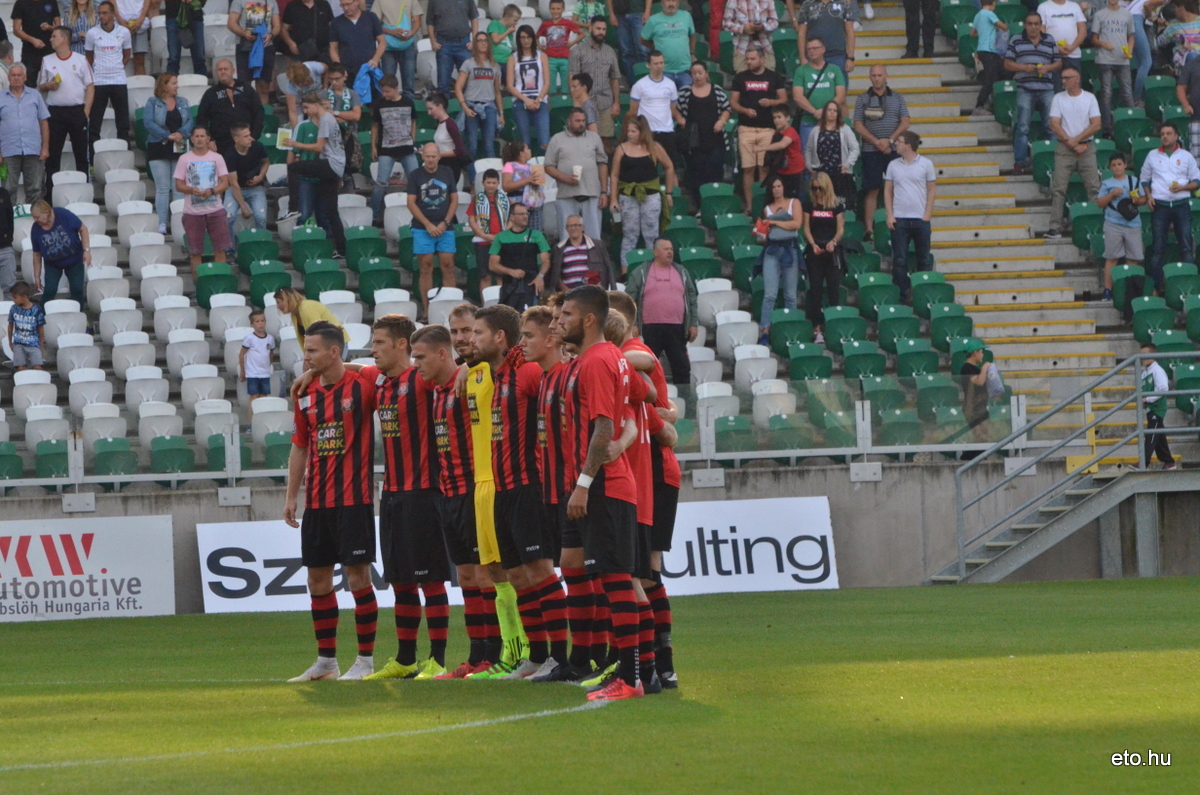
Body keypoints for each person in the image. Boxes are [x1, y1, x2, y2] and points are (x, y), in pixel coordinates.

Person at [473, 305, 572, 680]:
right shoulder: (498, 377)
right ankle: (537, 654)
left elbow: (559, 397)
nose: (471, 340)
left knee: (541, 571)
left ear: (500, 337)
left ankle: (560, 657)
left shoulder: (528, 373)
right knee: (517, 576)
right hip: (503, 490)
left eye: (479, 333)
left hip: (528, 486)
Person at [556, 284, 644, 700]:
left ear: (589, 319)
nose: (561, 322)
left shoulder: (595, 361)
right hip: (596, 484)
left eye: (567, 315)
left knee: (615, 579)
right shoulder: (607, 358)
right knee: (575, 564)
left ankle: (631, 676)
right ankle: (591, 662)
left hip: (603, 486)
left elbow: (604, 428)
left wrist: (583, 485)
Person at [352, 315, 453, 681]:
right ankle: (406, 659)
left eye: (379, 343)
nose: (373, 350)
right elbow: (350, 367)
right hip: (391, 494)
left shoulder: (421, 380)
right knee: (400, 581)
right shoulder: (377, 380)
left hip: (425, 493)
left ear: (401, 345)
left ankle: (438, 660)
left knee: (431, 580)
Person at [284, 321, 379, 683]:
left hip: (354, 500)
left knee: (358, 579)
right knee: (317, 580)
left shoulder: (361, 385)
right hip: (318, 504)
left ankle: (365, 661)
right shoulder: (304, 395)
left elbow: (386, 369)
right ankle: (326, 662)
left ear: (334, 352)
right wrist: (292, 496)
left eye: (311, 350)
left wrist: (350, 366)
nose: (305, 357)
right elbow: (300, 446)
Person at [408, 322, 497, 679]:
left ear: (444, 354)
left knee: (484, 575)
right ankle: (476, 657)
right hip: (448, 493)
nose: (416, 363)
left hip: (473, 490)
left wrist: (467, 366)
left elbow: (496, 364)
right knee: (465, 576)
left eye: (421, 356)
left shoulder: (468, 381)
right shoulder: (434, 388)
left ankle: (496, 653)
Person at [605, 289, 679, 689]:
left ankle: (657, 665)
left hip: (651, 466)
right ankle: (641, 665)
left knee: (644, 573)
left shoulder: (632, 348)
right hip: (642, 461)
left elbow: (645, 363)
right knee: (632, 572)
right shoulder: (614, 357)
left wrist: (662, 422)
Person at [280, 94, 347, 257]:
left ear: (316, 105)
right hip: (336, 166)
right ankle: (342, 249)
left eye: (307, 107)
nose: (305, 111)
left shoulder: (325, 119)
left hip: (331, 164)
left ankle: (293, 208)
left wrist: (295, 144)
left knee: (294, 168)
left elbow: (318, 148)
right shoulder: (330, 118)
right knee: (331, 212)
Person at [623, 238, 697, 385]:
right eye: (666, 249)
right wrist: (634, 323)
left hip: (677, 328)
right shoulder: (641, 272)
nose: (670, 252)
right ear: (656, 252)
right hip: (649, 328)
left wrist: (693, 323)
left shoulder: (681, 272)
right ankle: (648, 403)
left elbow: (692, 298)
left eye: (671, 249)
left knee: (682, 367)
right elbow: (629, 300)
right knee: (647, 368)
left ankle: (684, 401)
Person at [1141, 123, 1200, 295]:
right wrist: (1149, 196)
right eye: (1162, 134)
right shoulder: (1152, 155)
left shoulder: (1186, 156)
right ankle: (1156, 287)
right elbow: (1144, 179)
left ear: (1176, 136)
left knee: (1186, 246)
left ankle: (1190, 286)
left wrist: (1183, 188)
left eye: (1168, 133)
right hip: (1160, 205)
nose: (1165, 137)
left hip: (1181, 205)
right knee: (1158, 248)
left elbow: (1197, 181)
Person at [610, 113, 673, 272]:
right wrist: (613, 199)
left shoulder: (655, 147)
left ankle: (653, 269)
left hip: (650, 196)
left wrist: (669, 192)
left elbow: (669, 167)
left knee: (651, 234)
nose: (630, 134)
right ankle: (626, 270)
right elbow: (615, 175)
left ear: (642, 132)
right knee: (629, 235)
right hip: (628, 196)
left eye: (633, 131)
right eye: (628, 131)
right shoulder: (621, 148)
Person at [854, 65, 909, 241]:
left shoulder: (898, 98)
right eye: (873, 75)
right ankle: (869, 229)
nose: (877, 78)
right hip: (871, 150)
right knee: (872, 189)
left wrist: (890, 140)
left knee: (896, 187)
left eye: (880, 75)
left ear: (886, 76)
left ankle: (897, 223)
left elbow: (905, 122)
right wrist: (876, 141)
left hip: (894, 149)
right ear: (869, 77)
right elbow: (858, 124)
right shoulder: (862, 98)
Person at [730, 45, 788, 212]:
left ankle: (762, 205)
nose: (749, 62)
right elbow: (733, 102)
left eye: (753, 59)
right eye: (747, 59)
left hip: (767, 129)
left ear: (762, 59)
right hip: (746, 128)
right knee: (747, 169)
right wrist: (744, 110)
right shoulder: (740, 78)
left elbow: (783, 99)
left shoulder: (773, 76)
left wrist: (771, 103)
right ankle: (749, 206)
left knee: (764, 168)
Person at [1045, 67, 1101, 241]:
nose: (1063, 81)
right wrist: (1073, 142)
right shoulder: (1058, 98)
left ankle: (1096, 225)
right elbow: (1054, 124)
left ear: (1077, 79)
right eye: (1062, 78)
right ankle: (1054, 227)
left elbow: (1096, 125)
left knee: (1094, 187)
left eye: (1066, 78)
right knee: (1058, 188)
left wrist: (1075, 140)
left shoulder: (1090, 98)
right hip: (1066, 148)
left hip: (1085, 147)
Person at [1004, 13, 1061, 176]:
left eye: (1036, 24)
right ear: (1025, 25)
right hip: (1025, 88)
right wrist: (1023, 68)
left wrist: (1047, 68)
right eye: (1030, 24)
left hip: (1046, 88)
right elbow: (1007, 63)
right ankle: (1019, 164)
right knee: (1022, 127)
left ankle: (1053, 164)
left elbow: (1058, 62)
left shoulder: (1049, 39)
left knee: (1051, 127)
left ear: (1041, 25)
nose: (1033, 27)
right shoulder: (1016, 39)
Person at [37, 26, 92, 189]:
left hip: (77, 111)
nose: (50, 39)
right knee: (53, 156)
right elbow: (40, 86)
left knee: (81, 154)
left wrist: (86, 111)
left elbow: (90, 85)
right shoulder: (47, 60)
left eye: (54, 36)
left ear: (64, 39)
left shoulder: (81, 59)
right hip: (55, 112)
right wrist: (48, 85)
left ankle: (84, 190)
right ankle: (51, 194)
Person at [407, 141, 459, 315]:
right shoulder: (415, 175)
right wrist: (428, 225)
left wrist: (445, 222)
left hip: (446, 227)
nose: (430, 160)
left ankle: (451, 310)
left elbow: (454, 199)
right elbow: (411, 203)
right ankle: (428, 309)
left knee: (448, 266)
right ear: (422, 156)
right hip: (422, 228)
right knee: (426, 268)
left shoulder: (447, 172)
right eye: (427, 156)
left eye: (433, 156)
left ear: (439, 156)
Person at [545, 105, 609, 241]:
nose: (581, 124)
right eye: (577, 121)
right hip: (566, 195)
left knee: (594, 238)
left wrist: (604, 191)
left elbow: (602, 164)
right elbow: (548, 166)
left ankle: (593, 262)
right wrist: (564, 178)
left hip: (592, 194)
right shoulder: (557, 139)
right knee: (566, 238)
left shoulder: (594, 138)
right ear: (569, 121)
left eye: (583, 121)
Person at [884, 130, 935, 298]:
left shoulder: (926, 164)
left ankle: (923, 292)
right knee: (899, 259)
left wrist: (927, 215)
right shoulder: (893, 165)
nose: (895, 144)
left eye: (899, 141)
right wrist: (890, 214)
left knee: (924, 259)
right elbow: (888, 190)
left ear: (908, 145)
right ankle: (902, 293)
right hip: (900, 218)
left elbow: (931, 190)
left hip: (920, 218)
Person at [173, 126, 231, 277]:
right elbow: (178, 185)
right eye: (196, 136)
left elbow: (225, 182)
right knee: (195, 252)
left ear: (208, 138)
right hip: (192, 212)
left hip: (215, 209)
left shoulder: (217, 158)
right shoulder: (184, 159)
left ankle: (220, 281)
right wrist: (192, 190)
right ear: (191, 139)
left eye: (202, 136)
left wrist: (211, 191)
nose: (199, 139)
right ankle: (199, 285)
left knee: (220, 249)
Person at [756, 173, 802, 345]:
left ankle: (792, 327)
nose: (776, 189)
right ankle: (765, 330)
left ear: (783, 187)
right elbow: (763, 235)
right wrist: (761, 229)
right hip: (772, 249)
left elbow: (797, 224)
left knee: (790, 294)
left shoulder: (793, 203)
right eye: (773, 187)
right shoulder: (767, 208)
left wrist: (774, 223)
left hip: (789, 247)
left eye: (779, 186)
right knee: (770, 294)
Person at [144, 73, 192, 235]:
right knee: (163, 188)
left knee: (178, 188)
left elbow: (190, 121)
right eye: (174, 83)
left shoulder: (183, 102)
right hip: (159, 145)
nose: (177, 86)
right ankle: (162, 223)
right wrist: (167, 135)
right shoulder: (152, 102)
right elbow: (148, 122)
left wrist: (181, 133)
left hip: (179, 146)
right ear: (164, 85)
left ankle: (178, 223)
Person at [677, 60, 730, 207]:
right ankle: (700, 206)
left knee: (715, 173)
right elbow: (675, 108)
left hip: (716, 139)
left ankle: (714, 205)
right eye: (694, 73)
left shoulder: (717, 89)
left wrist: (722, 121)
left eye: (700, 73)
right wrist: (681, 120)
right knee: (697, 174)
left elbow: (727, 108)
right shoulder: (685, 92)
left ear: (706, 74)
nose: (697, 76)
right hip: (694, 142)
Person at [1096, 152, 1146, 301]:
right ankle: (1108, 290)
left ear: (1125, 165)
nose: (1117, 167)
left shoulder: (1134, 180)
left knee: (1134, 258)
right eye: (1114, 165)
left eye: (1119, 164)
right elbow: (1099, 203)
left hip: (1132, 223)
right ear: (1110, 168)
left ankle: (1131, 290)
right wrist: (1111, 194)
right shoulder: (1107, 183)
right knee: (1112, 258)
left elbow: (1143, 198)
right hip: (1113, 223)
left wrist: (1138, 201)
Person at [801, 170, 843, 345]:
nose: (817, 192)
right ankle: (817, 328)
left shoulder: (836, 205)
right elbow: (806, 228)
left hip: (832, 250)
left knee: (834, 289)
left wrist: (834, 241)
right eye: (814, 188)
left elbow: (840, 228)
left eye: (820, 188)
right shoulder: (809, 204)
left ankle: (833, 326)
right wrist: (812, 244)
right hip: (815, 250)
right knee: (816, 290)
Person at [0, 64, 50, 206]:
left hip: (33, 150)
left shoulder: (35, 95)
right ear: (8, 77)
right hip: (8, 151)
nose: (16, 78)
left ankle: (35, 223)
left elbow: (44, 122)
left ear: (25, 77)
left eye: (19, 75)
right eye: (13, 75)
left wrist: (45, 147)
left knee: (35, 190)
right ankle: (9, 226)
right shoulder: (0, 97)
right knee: (8, 190)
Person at [369, 74, 416, 224]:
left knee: (416, 180)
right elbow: (375, 125)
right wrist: (373, 145)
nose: (385, 94)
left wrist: (412, 139)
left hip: (406, 148)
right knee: (381, 183)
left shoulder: (408, 102)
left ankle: (417, 212)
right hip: (386, 149)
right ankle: (374, 216)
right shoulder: (379, 104)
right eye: (383, 91)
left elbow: (413, 121)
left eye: (388, 91)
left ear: (396, 89)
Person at [454, 31, 504, 171]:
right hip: (472, 106)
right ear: (475, 45)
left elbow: (497, 91)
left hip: (489, 107)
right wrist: (464, 107)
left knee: (489, 145)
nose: (483, 43)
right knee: (472, 146)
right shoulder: (468, 63)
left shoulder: (495, 66)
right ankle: (473, 181)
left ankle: (494, 179)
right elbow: (458, 87)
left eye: (485, 40)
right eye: (479, 40)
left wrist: (501, 113)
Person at [568, 16, 621, 147]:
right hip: (585, 104)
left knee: (605, 142)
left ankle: (604, 167)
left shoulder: (610, 52)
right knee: (583, 141)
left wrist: (616, 103)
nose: (601, 32)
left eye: (604, 29)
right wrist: (576, 106)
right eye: (598, 28)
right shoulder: (577, 51)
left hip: (605, 103)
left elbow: (614, 79)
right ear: (590, 28)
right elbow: (572, 80)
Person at [488, 202, 550, 311]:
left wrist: (540, 276)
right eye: (521, 214)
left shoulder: (537, 235)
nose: (525, 216)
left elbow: (546, 261)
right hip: (510, 286)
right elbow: (492, 265)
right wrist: (510, 271)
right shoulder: (501, 237)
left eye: (526, 214)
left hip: (531, 284)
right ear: (512, 217)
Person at [84, 1, 128, 152]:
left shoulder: (123, 32)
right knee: (95, 122)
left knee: (123, 122)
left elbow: (127, 55)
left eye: (104, 13)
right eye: (99, 13)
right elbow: (89, 57)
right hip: (99, 81)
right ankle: (93, 159)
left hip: (119, 80)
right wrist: (99, 70)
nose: (101, 16)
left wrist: (116, 68)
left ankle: (124, 153)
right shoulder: (92, 33)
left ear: (113, 14)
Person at [196, 59, 264, 154]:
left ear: (233, 71)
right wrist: (209, 139)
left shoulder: (246, 89)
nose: (223, 72)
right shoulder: (210, 93)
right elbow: (202, 119)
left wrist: (254, 136)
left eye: (226, 69)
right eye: (220, 70)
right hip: (221, 145)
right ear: (216, 72)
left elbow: (259, 112)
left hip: (247, 142)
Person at [28, 200, 90, 306]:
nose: (35, 220)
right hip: (52, 264)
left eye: (37, 217)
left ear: (46, 213)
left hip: (74, 259)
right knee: (49, 290)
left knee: (77, 289)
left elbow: (83, 229)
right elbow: (37, 254)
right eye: (34, 217)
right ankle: (42, 316)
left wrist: (86, 251)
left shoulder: (63, 215)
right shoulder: (35, 229)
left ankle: (79, 314)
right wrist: (37, 277)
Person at [629, 50, 684, 166]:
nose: (659, 66)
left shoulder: (670, 85)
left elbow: (672, 108)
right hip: (648, 132)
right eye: (656, 63)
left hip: (667, 132)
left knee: (671, 167)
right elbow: (633, 111)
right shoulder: (639, 85)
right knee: (647, 167)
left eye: (661, 63)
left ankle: (673, 185)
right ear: (648, 65)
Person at [223, 122, 269, 255]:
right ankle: (230, 250)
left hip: (256, 188)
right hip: (236, 189)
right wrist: (243, 207)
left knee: (261, 217)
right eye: (246, 136)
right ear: (236, 139)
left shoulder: (258, 147)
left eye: (249, 135)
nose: (250, 138)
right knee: (228, 217)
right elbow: (234, 183)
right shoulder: (230, 154)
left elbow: (266, 161)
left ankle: (261, 247)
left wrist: (261, 176)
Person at [792, 36, 846, 149]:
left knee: (831, 156)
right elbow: (797, 97)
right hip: (808, 122)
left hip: (831, 123)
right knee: (808, 159)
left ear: (823, 49)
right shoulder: (801, 71)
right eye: (809, 49)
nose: (812, 51)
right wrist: (815, 112)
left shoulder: (834, 69)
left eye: (815, 48)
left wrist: (826, 111)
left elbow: (841, 95)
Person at [1091, 0, 1134, 137]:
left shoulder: (1127, 14)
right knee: (1106, 94)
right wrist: (1103, 44)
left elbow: (1131, 36)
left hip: (1122, 60)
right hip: (1105, 59)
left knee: (1127, 93)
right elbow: (1094, 38)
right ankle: (1108, 129)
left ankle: (1131, 123)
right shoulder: (1100, 14)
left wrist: (1130, 50)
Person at [805, 99, 859, 205]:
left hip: (840, 173)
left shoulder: (845, 129)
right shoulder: (816, 130)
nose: (832, 112)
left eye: (835, 110)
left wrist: (847, 164)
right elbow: (808, 149)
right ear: (825, 112)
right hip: (821, 174)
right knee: (822, 204)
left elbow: (855, 148)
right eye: (829, 110)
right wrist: (809, 165)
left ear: (838, 113)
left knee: (840, 204)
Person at [507, 24, 550, 156]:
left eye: (528, 37)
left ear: (533, 39)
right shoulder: (513, 58)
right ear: (518, 40)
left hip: (539, 100)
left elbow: (547, 82)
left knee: (544, 141)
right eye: (522, 37)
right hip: (521, 101)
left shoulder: (541, 56)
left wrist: (538, 99)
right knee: (525, 143)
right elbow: (510, 85)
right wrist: (526, 100)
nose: (526, 40)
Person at [228, 0, 280, 106]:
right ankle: (245, 116)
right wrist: (244, 33)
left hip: (265, 46)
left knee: (264, 86)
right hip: (245, 46)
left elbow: (277, 25)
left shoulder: (272, 1)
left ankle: (263, 115)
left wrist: (271, 35)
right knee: (244, 85)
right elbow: (231, 23)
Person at [550, 213, 616, 290]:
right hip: (569, 295)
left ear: (582, 227)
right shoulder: (558, 248)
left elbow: (608, 269)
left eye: (576, 225)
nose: (573, 228)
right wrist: (565, 290)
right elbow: (555, 274)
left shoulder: (598, 245)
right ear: (566, 229)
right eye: (570, 226)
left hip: (592, 293)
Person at [791, 0, 856, 77]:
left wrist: (850, 58)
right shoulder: (807, 4)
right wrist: (802, 57)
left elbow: (850, 31)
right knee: (813, 86)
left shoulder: (843, 4)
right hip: (813, 55)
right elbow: (802, 33)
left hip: (838, 55)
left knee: (840, 87)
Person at [639, 0, 694, 89]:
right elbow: (642, 40)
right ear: (662, 3)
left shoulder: (686, 16)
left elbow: (692, 34)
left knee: (686, 101)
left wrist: (692, 52)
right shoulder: (653, 20)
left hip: (685, 71)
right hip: (664, 71)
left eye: (674, 1)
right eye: (668, 1)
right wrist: (656, 47)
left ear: (678, 3)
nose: (671, 4)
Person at [426, 0, 477, 94]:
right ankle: (443, 108)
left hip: (464, 44)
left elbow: (474, 18)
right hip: (444, 44)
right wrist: (433, 41)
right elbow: (430, 22)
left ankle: (470, 108)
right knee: (443, 83)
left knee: (469, 82)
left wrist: (474, 40)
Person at [468, 168, 507, 292]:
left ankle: (502, 306)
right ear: (483, 183)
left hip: (501, 242)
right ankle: (485, 308)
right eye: (488, 182)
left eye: (494, 183)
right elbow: (472, 220)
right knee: (486, 276)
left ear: (498, 183)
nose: (491, 185)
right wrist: (484, 235)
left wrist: (502, 236)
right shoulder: (476, 200)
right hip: (482, 242)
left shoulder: (505, 199)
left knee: (501, 276)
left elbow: (511, 218)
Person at [274, 286, 350, 350]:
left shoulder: (306, 307)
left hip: (335, 344)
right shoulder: (294, 315)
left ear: (287, 300)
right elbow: (303, 340)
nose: (277, 306)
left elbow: (318, 333)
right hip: (325, 347)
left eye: (278, 302)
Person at [329, 0, 385, 84]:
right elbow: (333, 48)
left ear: (357, 2)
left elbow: (382, 42)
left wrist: (375, 59)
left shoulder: (371, 17)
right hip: (348, 71)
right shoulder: (336, 23)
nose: (345, 8)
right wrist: (340, 69)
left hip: (370, 68)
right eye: (342, 5)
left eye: (348, 4)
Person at [1140, 343, 1176, 470]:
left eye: (1145, 354)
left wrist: (1148, 399)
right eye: (1141, 354)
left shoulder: (1157, 370)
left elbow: (1163, 389)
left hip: (1157, 408)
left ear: (1153, 355)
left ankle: (1143, 462)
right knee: (1159, 436)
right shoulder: (1145, 373)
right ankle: (1169, 461)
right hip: (1150, 408)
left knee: (1151, 435)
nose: (1142, 357)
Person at [377, 0, 421, 101]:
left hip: (407, 45)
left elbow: (417, 21)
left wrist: (412, 33)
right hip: (388, 47)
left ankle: (409, 111)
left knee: (409, 82)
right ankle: (388, 107)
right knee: (387, 83)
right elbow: (376, 23)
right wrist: (392, 31)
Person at [970, 0, 1008, 116]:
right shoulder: (989, 14)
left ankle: (993, 99)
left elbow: (972, 33)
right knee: (990, 78)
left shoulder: (978, 15)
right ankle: (979, 105)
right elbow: (1004, 27)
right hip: (989, 50)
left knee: (1001, 72)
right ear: (992, 3)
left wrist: (984, 32)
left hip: (982, 49)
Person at [723, 0, 779, 74]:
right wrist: (742, 28)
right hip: (742, 48)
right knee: (742, 80)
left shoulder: (768, 1)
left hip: (765, 47)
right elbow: (726, 23)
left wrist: (763, 26)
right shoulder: (734, 1)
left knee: (769, 79)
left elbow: (775, 22)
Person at [539, 0, 583, 95]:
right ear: (549, 10)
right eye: (553, 9)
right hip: (550, 58)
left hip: (565, 58)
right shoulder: (545, 24)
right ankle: (552, 105)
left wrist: (572, 43)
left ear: (563, 9)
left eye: (558, 9)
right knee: (550, 87)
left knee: (566, 86)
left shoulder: (568, 23)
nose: (556, 11)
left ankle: (565, 104)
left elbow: (582, 34)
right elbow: (535, 36)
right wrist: (540, 47)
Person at [278, 0, 333, 74]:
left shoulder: (323, 4)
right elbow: (283, 29)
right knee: (301, 79)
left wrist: (332, 46)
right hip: (300, 52)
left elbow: (332, 27)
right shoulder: (292, 6)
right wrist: (290, 43)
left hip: (323, 51)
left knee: (325, 78)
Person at [1037, 0, 1086, 84]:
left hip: (1073, 55)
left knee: (1074, 87)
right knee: (1056, 88)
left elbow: (1083, 31)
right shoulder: (1043, 7)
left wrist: (1072, 47)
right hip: (1053, 56)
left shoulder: (1074, 6)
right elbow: (1041, 32)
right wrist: (1056, 48)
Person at [501, 138, 545, 231]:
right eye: (527, 149)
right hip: (517, 204)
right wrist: (527, 180)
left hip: (534, 204)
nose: (530, 151)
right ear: (521, 153)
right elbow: (506, 186)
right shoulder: (510, 166)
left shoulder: (531, 166)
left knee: (534, 231)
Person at [239, 309, 275, 420]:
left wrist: (268, 365)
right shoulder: (249, 339)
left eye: (262, 321)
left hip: (264, 373)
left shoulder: (270, 338)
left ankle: (261, 420)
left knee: (263, 398)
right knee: (254, 397)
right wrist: (243, 371)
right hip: (253, 373)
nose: (261, 323)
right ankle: (251, 422)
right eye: (257, 321)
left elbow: (271, 353)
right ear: (252, 324)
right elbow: (242, 354)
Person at [762, 106, 805, 198]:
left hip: (795, 171)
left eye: (779, 117)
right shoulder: (777, 133)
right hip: (781, 171)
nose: (776, 120)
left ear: (788, 118)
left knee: (793, 199)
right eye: (774, 118)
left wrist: (761, 148)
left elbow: (782, 144)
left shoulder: (791, 131)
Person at [425, 90, 466, 187]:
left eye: (431, 109)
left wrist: (438, 154)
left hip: (450, 166)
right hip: (442, 165)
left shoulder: (450, 124)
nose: (429, 112)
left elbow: (460, 150)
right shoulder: (441, 123)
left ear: (440, 106)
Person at [12, 0, 59, 81]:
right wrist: (32, 40)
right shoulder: (21, 2)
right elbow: (16, 30)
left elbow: (59, 27)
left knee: (52, 81)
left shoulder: (51, 1)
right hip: (30, 51)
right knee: (28, 83)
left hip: (50, 49)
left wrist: (49, 27)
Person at [960, 338, 996, 444]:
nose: (982, 355)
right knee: (979, 438)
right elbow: (979, 381)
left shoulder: (976, 369)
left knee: (985, 436)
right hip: (972, 408)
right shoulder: (967, 368)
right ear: (975, 353)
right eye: (981, 352)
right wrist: (985, 368)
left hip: (981, 407)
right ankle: (968, 459)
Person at [7, 280, 45, 370]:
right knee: (21, 367)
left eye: (15, 297)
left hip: (34, 343)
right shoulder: (14, 308)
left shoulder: (37, 309)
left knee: (38, 367)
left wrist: (41, 344)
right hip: (18, 343)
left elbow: (41, 328)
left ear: (24, 297)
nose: (13, 300)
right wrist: (10, 342)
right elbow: (10, 325)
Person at [277, 59, 325, 129]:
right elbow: (293, 112)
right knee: (298, 120)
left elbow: (326, 70)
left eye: (303, 82)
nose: (301, 85)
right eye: (298, 84)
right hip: (301, 97)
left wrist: (325, 86)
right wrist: (295, 131)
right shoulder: (290, 87)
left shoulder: (316, 67)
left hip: (318, 91)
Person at [610, 0, 650, 82]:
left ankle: (646, 81)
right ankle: (633, 82)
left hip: (638, 12)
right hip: (620, 15)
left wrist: (647, 11)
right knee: (626, 52)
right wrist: (611, 14)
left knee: (642, 50)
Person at [113, 0, 148, 75]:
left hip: (140, 22)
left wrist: (142, 18)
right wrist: (119, 19)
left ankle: (140, 85)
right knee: (119, 59)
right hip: (120, 23)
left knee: (139, 59)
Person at [1178, 47, 1200, 162]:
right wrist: (1186, 105)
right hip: (1197, 118)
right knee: (1196, 160)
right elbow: (1181, 87)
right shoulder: (1191, 65)